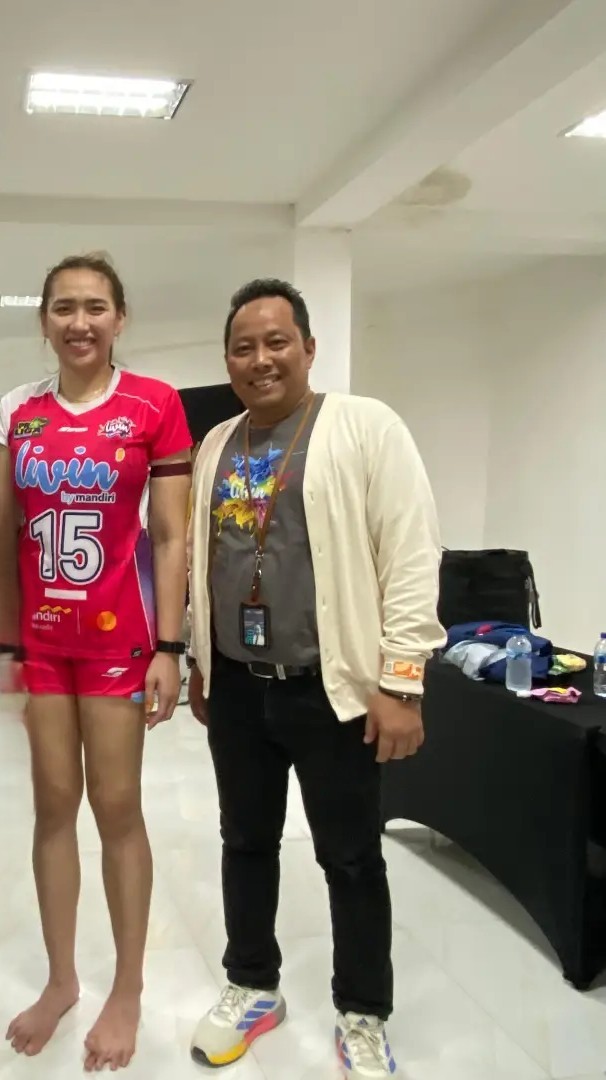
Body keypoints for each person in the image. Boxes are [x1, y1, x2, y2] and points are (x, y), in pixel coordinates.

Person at [187, 278, 445, 1078]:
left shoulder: (365, 426)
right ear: (227, 359)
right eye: (243, 347)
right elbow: (204, 561)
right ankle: (251, 985)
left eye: (276, 342)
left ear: (307, 346)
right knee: (244, 841)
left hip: (333, 689)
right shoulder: (215, 443)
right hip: (238, 685)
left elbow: (411, 556)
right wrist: (200, 659)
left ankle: (362, 1012)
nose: (260, 359)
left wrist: (401, 683)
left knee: (351, 857)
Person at [0, 254, 192, 1071]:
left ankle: (128, 988)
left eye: (95, 306)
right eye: (64, 307)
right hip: (43, 642)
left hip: (121, 640)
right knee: (51, 808)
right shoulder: (17, 413)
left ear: (120, 317)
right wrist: (7, 642)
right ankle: (61, 980)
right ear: (44, 320)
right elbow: (4, 537)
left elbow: (173, 537)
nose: (79, 322)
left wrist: (171, 648)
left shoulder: (154, 404)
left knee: (117, 808)